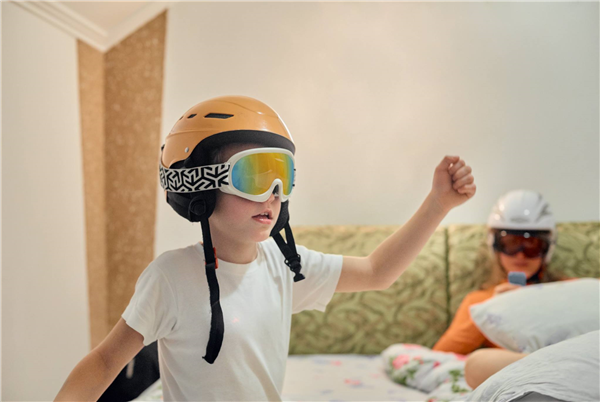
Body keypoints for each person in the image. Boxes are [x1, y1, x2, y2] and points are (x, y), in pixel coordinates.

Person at [55, 95, 476, 401]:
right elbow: (105, 362)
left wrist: (438, 204)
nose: (273, 194)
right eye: (255, 176)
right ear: (200, 186)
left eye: (282, 176)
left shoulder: (285, 264)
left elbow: (376, 272)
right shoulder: (170, 277)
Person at [433, 189, 558, 388]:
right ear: (495, 246)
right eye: (511, 244)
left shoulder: (569, 289)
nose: (520, 255)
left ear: (547, 249)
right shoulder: (479, 301)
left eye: (532, 245)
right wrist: (490, 310)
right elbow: (438, 359)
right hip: (516, 378)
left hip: (565, 368)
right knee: (480, 363)